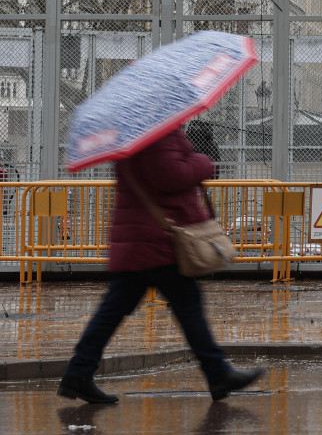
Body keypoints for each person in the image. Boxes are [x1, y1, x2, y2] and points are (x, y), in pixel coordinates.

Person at [58, 126, 263, 404]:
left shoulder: (131, 133)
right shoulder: (158, 131)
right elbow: (171, 174)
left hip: (140, 238)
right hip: (159, 239)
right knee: (188, 307)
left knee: (112, 312)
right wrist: (202, 161)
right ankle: (218, 373)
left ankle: (78, 374)